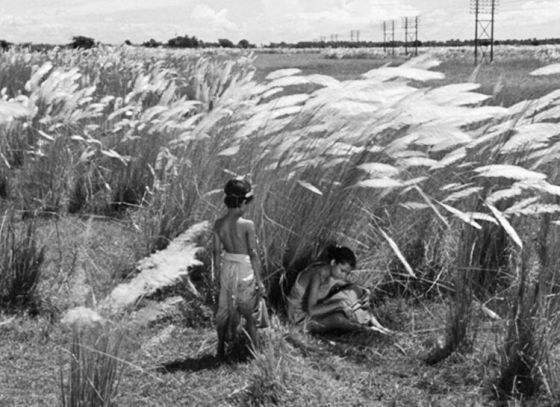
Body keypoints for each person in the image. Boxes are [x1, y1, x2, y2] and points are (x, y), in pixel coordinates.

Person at [212, 178, 266, 359]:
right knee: (250, 314)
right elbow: (253, 254)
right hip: (244, 270)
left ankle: (220, 349)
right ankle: (255, 352)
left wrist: (217, 276)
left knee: (224, 310)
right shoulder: (247, 225)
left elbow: (216, 252)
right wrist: (259, 281)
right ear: (243, 202)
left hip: (227, 268)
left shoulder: (218, 224)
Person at [286, 245, 390, 334]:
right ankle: (367, 330)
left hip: (317, 307)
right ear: (333, 262)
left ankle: (378, 325)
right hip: (300, 316)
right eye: (342, 271)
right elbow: (311, 310)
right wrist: (339, 304)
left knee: (356, 291)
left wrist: (364, 292)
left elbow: (350, 286)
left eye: (347, 273)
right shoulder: (316, 275)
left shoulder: (332, 274)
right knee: (337, 319)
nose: (344, 275)